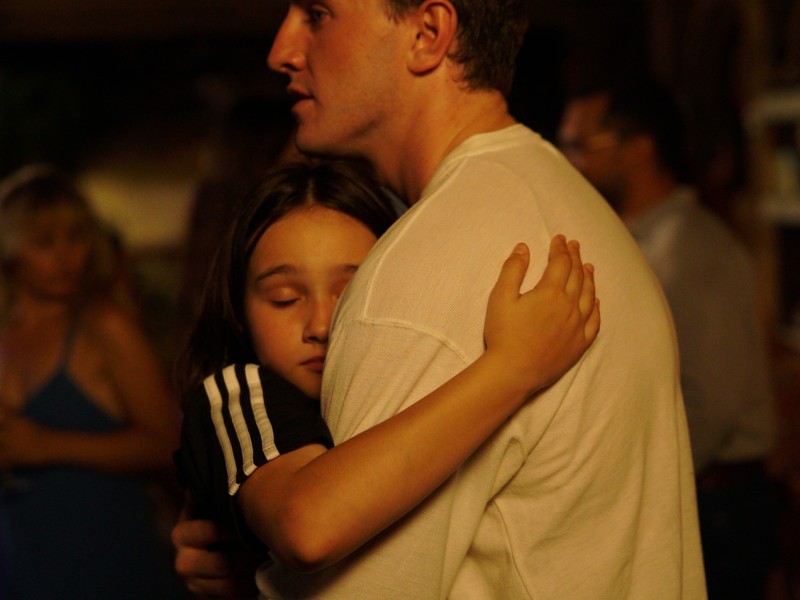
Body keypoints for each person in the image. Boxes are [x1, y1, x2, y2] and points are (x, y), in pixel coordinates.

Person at [174, 2, 706, 598]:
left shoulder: (429, 264)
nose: (281, 50)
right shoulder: (566, 203)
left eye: (319, 15)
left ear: (428, 34)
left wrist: (249, 586)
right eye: (282, 295)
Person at [174, 159, 599, 581]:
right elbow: (306, 528)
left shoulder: (402, 374)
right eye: (284, 298)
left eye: (352, 292)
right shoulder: (236, 393)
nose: (321, 325)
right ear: (238, 313)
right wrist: (513, 366)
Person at [558, 78, 780, 600]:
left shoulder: (692, 252)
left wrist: (622, 495)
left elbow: (711, 404)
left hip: (716, 506)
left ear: (639, 150)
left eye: (581, 147)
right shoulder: (631, 240)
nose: (568, 163)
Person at [0, 164, 184, 599]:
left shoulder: (103, 327)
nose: (67, 256)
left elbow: (168, 442)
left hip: (103, 549)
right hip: (19, 554)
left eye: (77, 236)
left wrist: (48, 445)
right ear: (9, 251)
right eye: (44, 242)